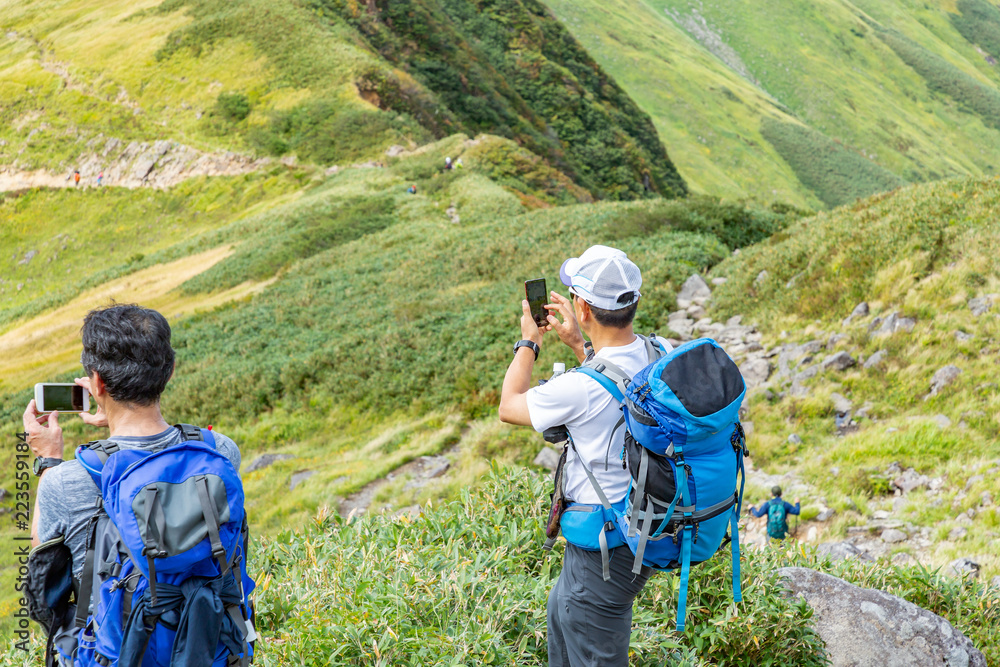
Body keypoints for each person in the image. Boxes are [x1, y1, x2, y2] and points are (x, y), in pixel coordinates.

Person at [499, 245, 667, 667]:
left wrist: (528, 340)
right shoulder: (660, 351)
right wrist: (580, 342)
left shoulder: (577, 388)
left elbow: (509, 405)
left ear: (583, 307)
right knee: (561, 614)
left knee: (587, 635)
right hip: (641, 528)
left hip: (605, 548)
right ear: (634, 302)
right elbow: (621, 388)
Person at [23, 303, 242, 574]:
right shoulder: (220, 449)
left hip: (118, 618)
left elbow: (41, 569)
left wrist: (48, 460)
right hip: (216, 614)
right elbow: (162, 448)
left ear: (98, 383)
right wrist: (119, 418)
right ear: (170, 371)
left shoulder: (64, 482)